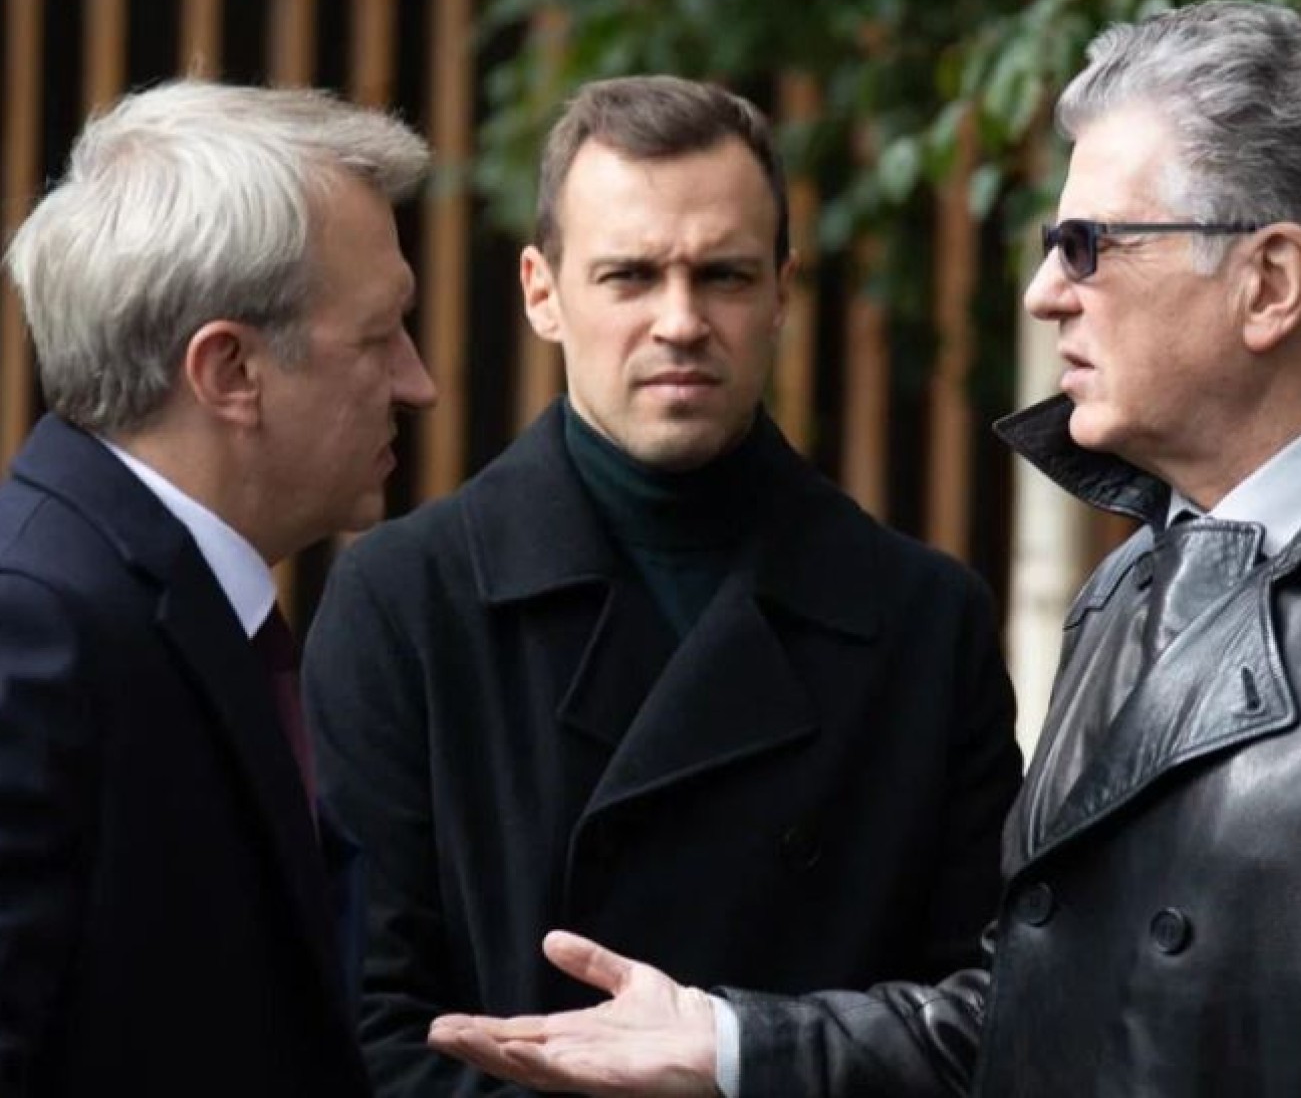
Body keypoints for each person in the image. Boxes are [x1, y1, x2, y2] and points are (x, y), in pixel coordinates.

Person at [425, 0, 1301, 1098]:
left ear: (1268, 282)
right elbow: (1037, 1023)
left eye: (1088, 246)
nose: (1043, 295)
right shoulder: (1137, 582)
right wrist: (734, 1044)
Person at [302, 74, 1021, 1095]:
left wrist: (739, 1061)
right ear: (542, 292)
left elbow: (991, 1021)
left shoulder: (924, 621)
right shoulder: (402, 604)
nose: (680, 321)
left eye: (723, 275)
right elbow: (364, 1030)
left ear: (781, 291)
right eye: (630, 276)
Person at [0, 79, 436, 1096]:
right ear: (230, 370)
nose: (418, 382)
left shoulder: (134, 605)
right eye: (379, 336)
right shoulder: (34, 630)